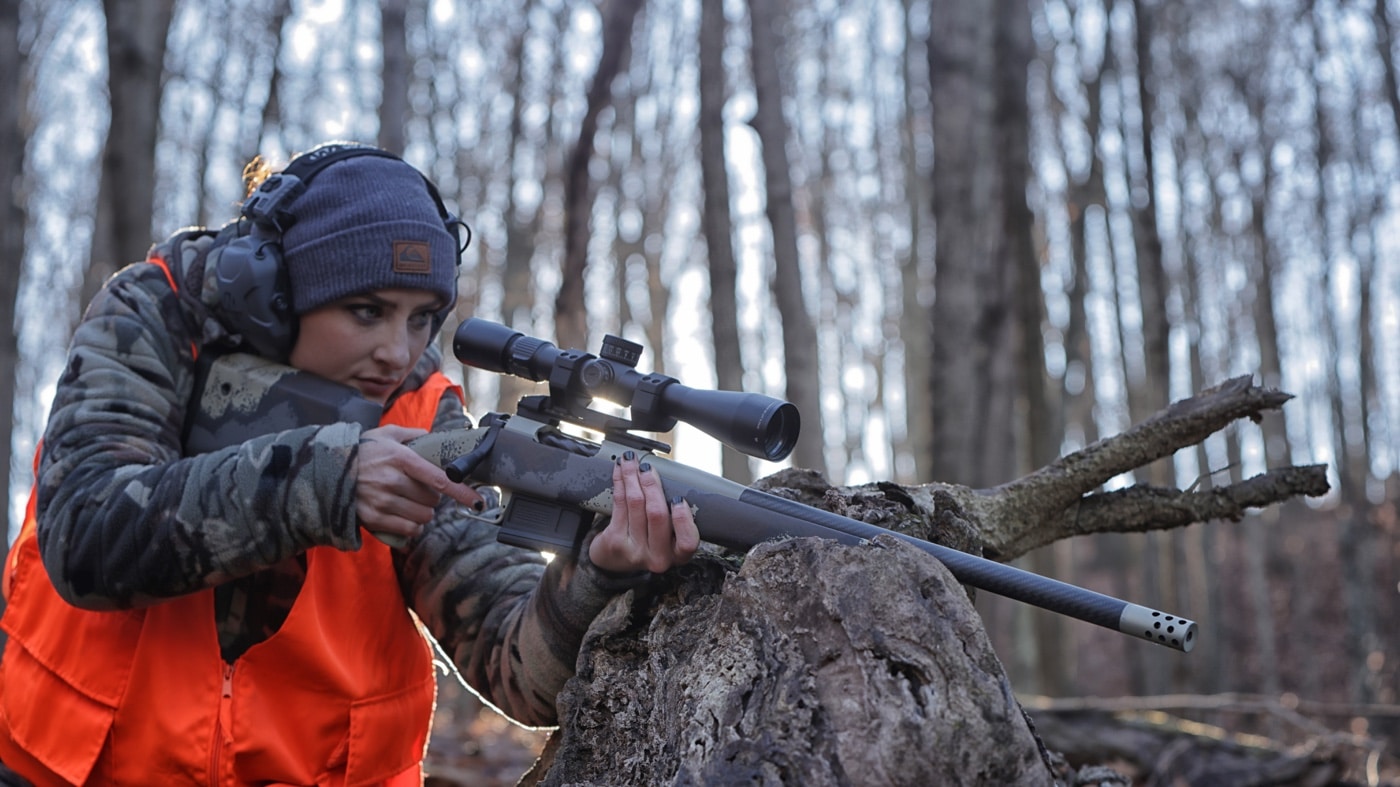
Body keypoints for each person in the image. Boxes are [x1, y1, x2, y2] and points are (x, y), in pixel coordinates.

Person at [0, 142, 699, 786]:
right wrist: (321, 481)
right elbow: (86, 535)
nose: (399, 350)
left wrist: (596, 578)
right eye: (367, 310)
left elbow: (516, 669)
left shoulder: (422, 408)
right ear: (276, 294)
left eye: (423, 318)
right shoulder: (150, 320)